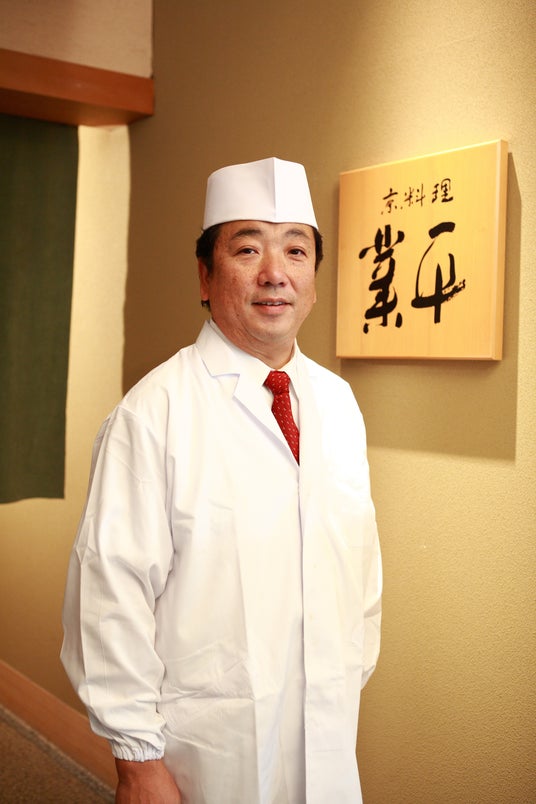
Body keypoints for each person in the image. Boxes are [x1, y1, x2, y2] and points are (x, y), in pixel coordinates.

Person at [61, 157, 382, 804]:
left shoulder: (338, 403)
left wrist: (341, 677)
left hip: (324, 734)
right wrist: (137, 760)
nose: (275, 273)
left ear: (313, 279)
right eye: (247, 249)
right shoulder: (153, 413)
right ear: (206, 277)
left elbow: (361, 571)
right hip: (203, 751)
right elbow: (109, 593)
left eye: (296, 250)